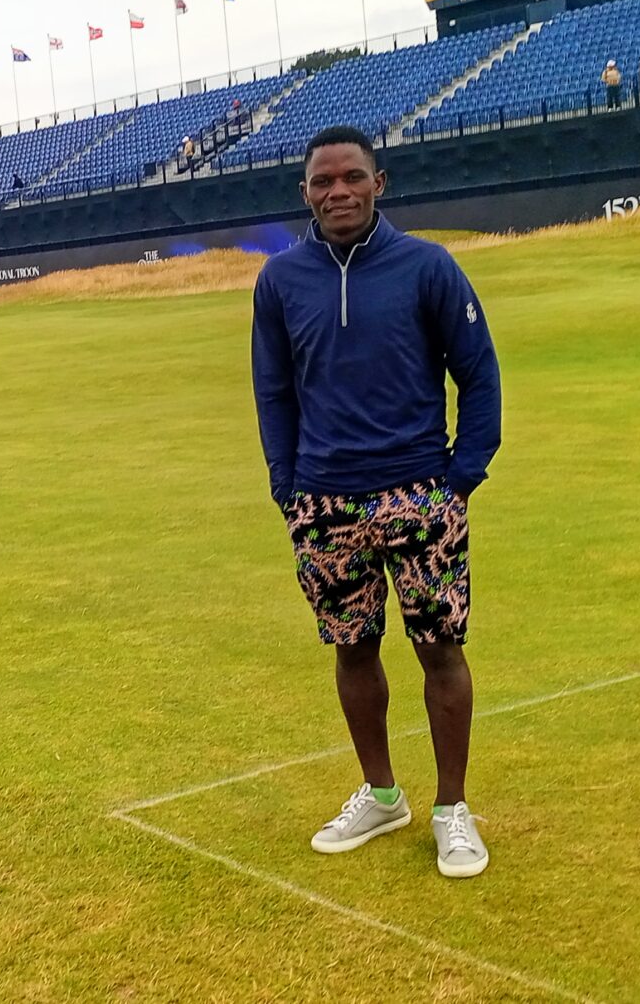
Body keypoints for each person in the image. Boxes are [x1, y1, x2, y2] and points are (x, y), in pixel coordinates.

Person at [252, 126, 502, 879]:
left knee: (439, 648)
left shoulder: (427, 266)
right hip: (324, 502)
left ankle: (452, 809)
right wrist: (287, 486)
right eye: (323, 181)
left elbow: (478, 373)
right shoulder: (280, 280)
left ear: (379, 182)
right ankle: (383, 793)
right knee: (352, 647)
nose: (339, 192)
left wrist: (462, 475)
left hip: (419, 492)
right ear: (305, 192)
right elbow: (274, 390)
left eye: (352, 177)